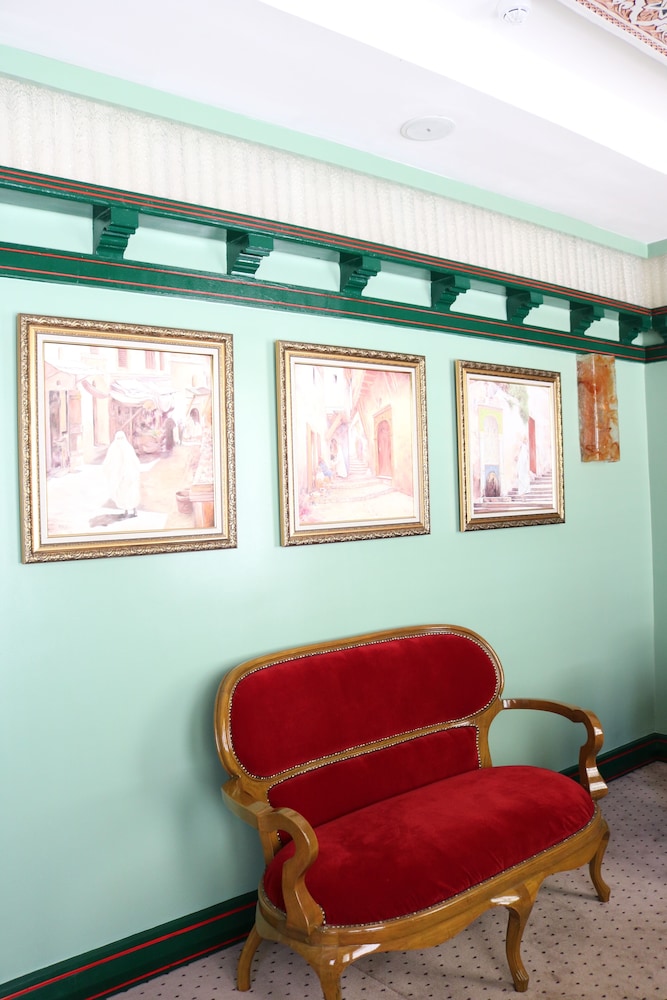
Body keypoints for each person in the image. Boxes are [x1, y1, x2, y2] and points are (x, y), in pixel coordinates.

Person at [103, 431, 141, 517]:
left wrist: (134, 472)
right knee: (123, 493)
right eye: (118, 438)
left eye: (121, 438)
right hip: (119, 476)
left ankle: (134, 510)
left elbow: (134, 461)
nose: (120, 441)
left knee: (131, 492)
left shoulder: (128, 448)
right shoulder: (114, 448)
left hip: (129, 475)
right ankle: (126, 511)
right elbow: (109, 461)